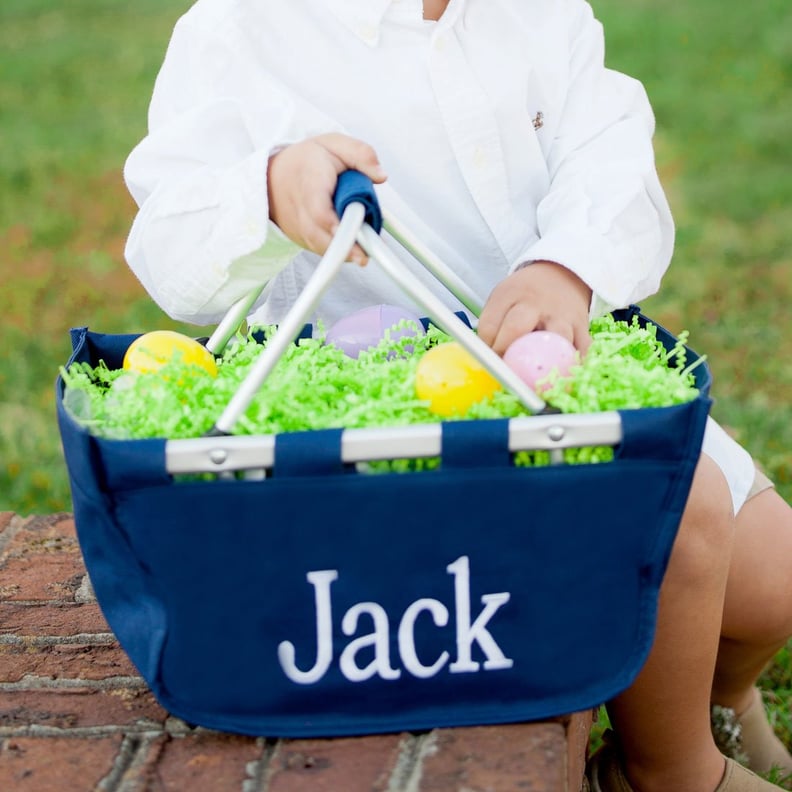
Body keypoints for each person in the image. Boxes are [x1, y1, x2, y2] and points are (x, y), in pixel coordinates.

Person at [123, 1, 792, 789]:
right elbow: (169, 241)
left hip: (550, 371)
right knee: (680, 512)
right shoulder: (238, 30)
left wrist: (565, 265)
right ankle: (667, 767)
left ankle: (720, 691)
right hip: (366, 416)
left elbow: (609, 157)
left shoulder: (543, 15)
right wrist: (267, 187)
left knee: (774, 581)